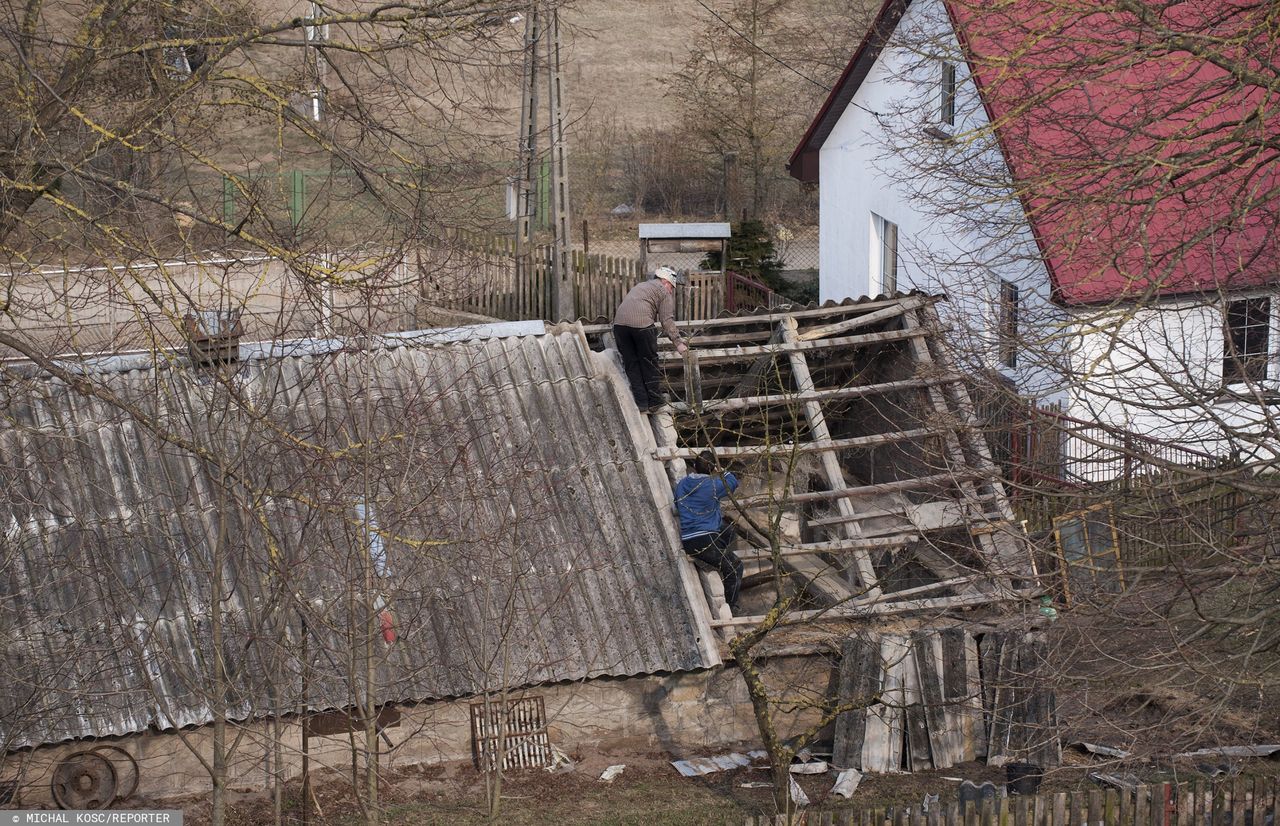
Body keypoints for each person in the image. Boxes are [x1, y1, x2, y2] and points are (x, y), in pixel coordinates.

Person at [674, 450, 743, 615]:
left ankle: (717, 560)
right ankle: (731, 609)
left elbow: (677, 504)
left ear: (695, 467)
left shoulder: (682, 484)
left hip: (689, 537)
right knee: (735, 567)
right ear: (712, 469)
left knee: (728, 531)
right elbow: (732, 481)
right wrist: (721, 469)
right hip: (704, 541)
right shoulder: (713, 486)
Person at [612, 266, 688, 412]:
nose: (672, 290)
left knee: (632, 364)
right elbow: (667, 321)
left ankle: (641, 402)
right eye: (672, 287)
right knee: (649, 362)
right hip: (642, 327)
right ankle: (654, 401)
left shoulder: (641, 286)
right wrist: (678, 343)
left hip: (619, 327)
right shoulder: (663, 291)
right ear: (666, 282)